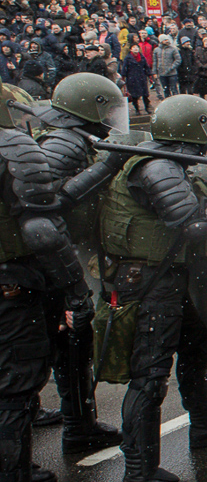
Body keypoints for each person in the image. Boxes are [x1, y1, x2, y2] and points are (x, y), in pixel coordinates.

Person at [97, 96, 207, 482]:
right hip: (148, 283)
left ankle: (205, 425)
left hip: (160, 279)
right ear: (191, 130)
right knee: (150, 374)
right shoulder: (158, 166)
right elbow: (195, 226)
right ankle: (140, 474)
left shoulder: (161, 158)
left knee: (194, 347)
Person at [0, 96, 94, 482]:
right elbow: (42, 229)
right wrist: (75, 290)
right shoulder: (12, 146)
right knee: (13, 395)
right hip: (11, 289)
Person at [31, 74, 133, 456]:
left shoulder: (75, 137)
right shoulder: (63, 143)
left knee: (71, 346)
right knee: (58, 347)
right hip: (47, 260)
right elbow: (49, 201)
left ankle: (79, 425)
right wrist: (107, 166)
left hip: (56, 255)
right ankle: (70, 430)